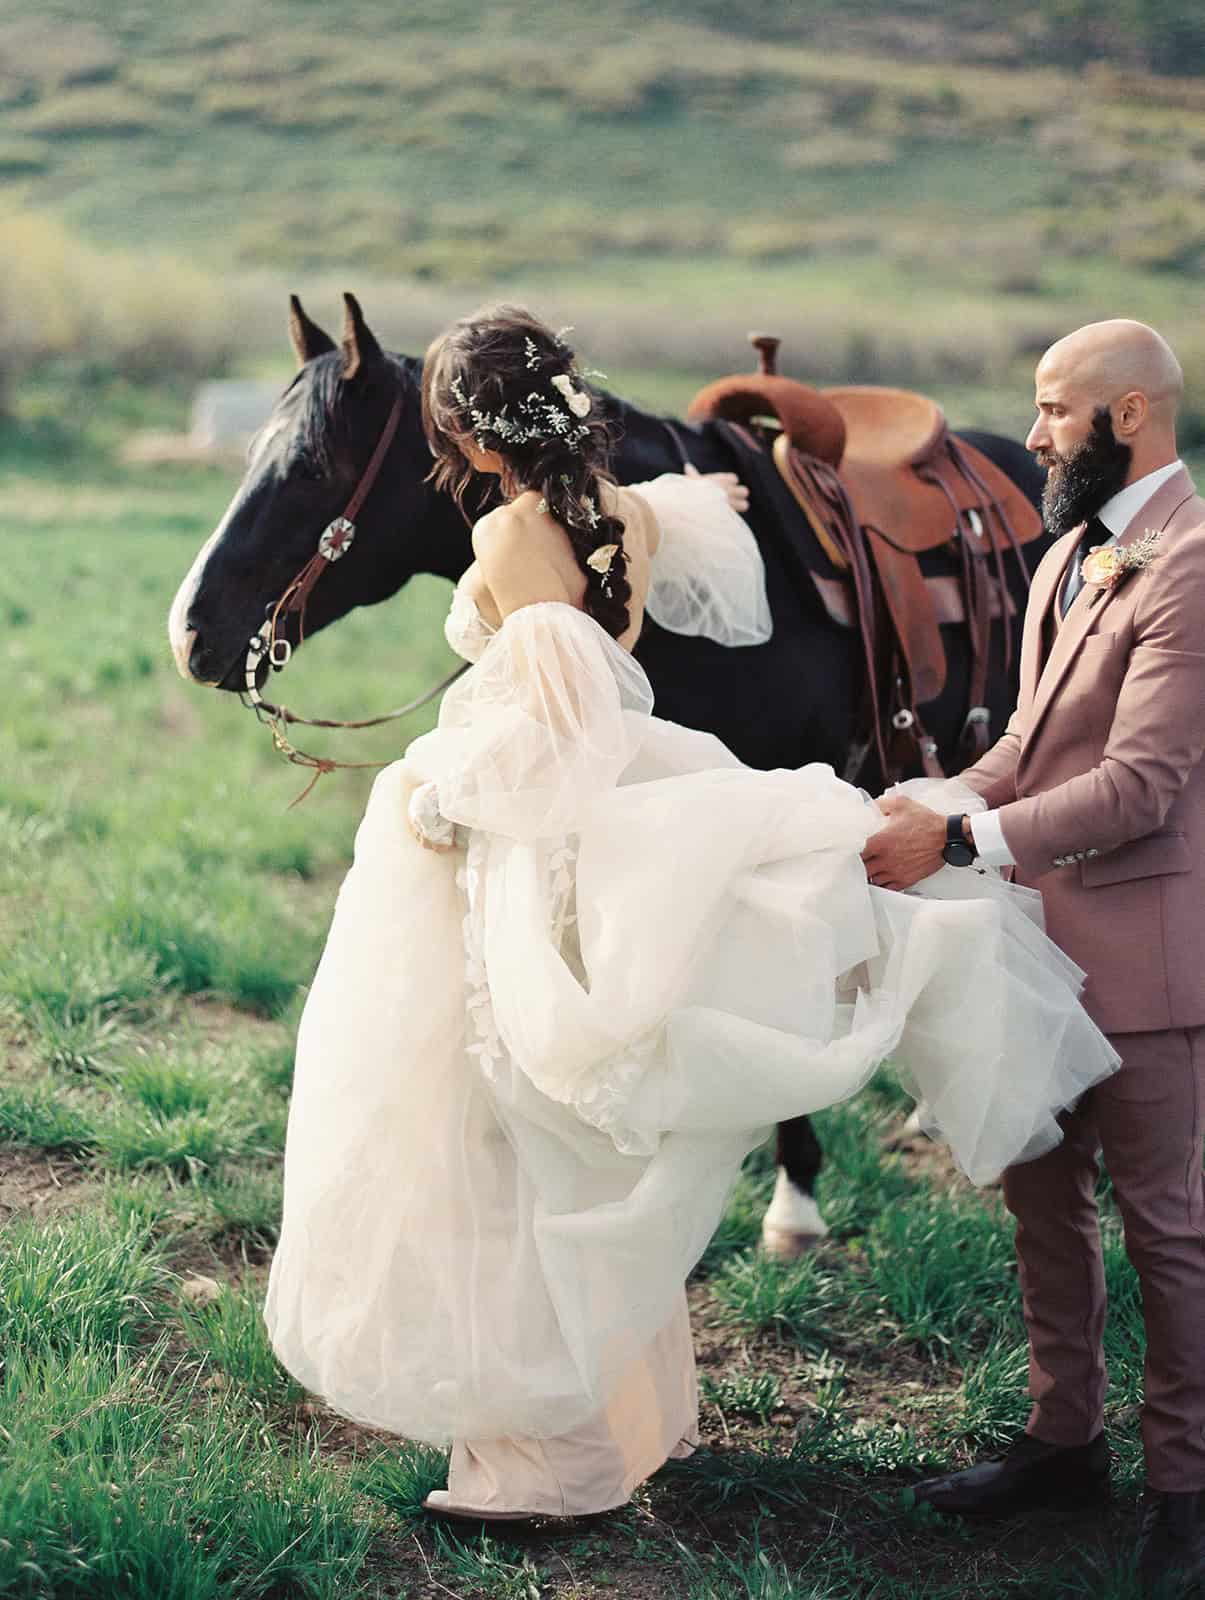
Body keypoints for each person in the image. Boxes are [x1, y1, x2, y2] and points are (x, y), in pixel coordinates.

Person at [262, 305, 1118, 1523]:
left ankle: (547, 1463)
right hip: (619, 813)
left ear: (465, 428)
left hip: (543, 845)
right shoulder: (624, 513)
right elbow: (607, 682)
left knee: (518, 1137)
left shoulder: (507, 534)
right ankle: (621, 1419)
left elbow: (553, 734)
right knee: (575, 1137)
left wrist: (433, 794)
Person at [863, 320, 1205, 1597]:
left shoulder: (1190, 561)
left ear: (1127, 412)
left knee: (1166, 1229)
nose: (1036, 427)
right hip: (1034, 944)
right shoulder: (1072, 549)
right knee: (1037, 1196)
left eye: (1055, 409)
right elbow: (1023, 744)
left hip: (1150, 949)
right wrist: (924, 802)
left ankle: (1186, 1488)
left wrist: (960, 838)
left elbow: (1138, 786)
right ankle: (1064, 1445)